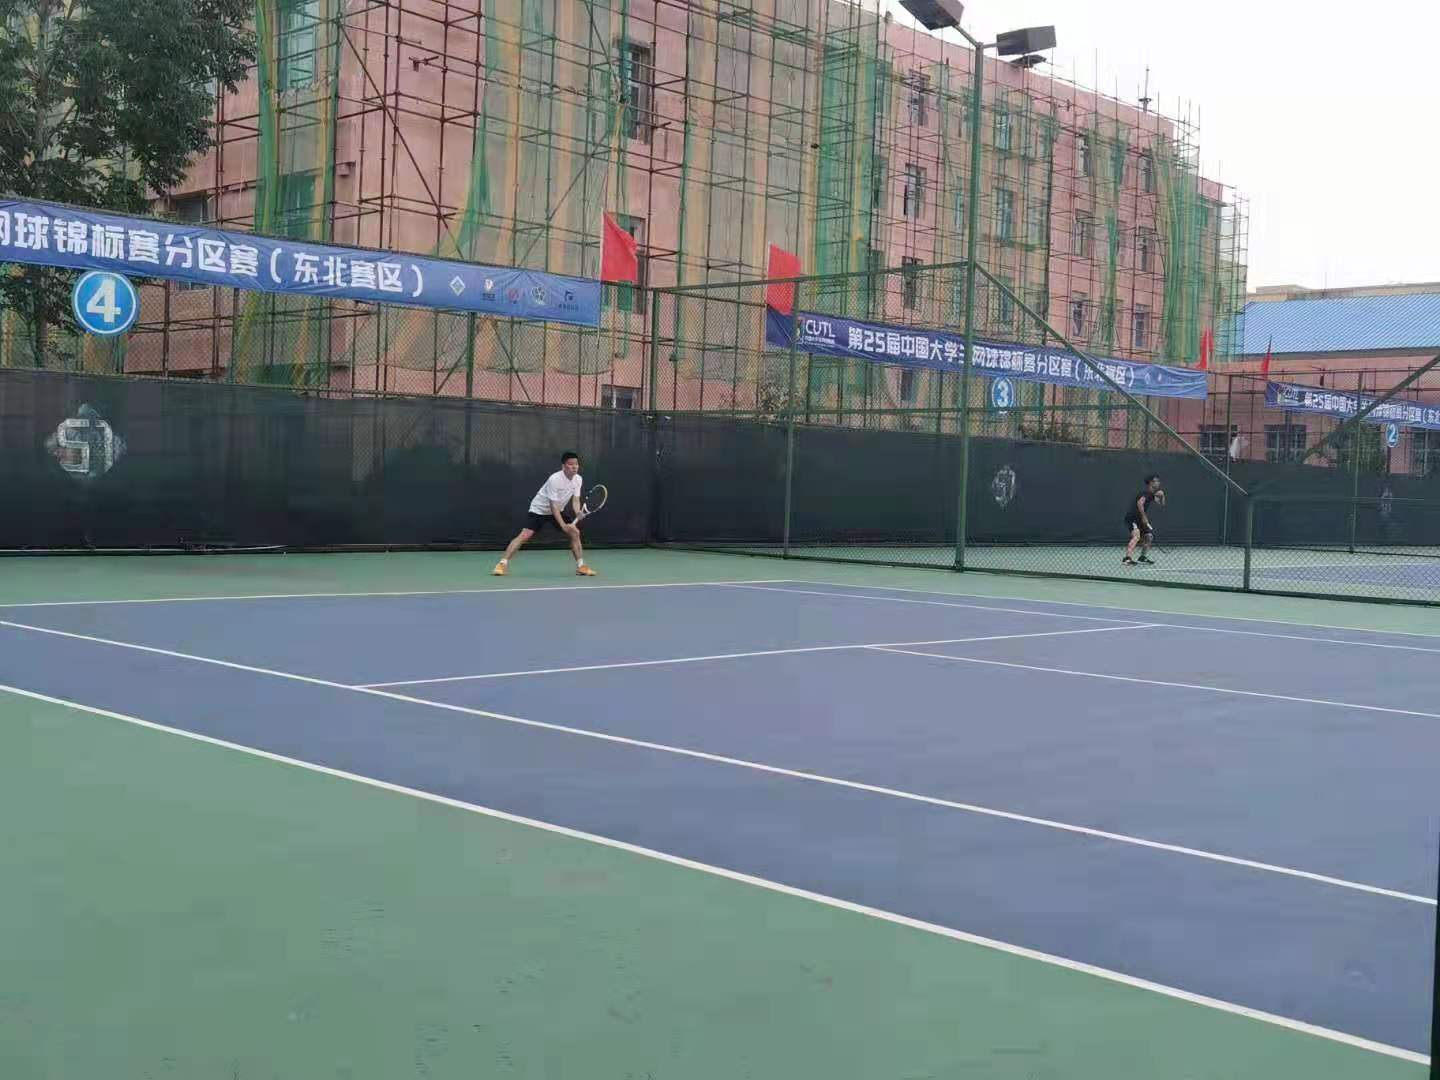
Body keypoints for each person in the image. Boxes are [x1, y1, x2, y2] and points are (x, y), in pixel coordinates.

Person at [493, 451, 597, 577]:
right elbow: (553, 506)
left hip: (558, 510)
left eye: (576, 464)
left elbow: (575, 499)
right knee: (525, 535)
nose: (574, 466)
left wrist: (578, 512)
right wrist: (563, 525)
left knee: (575, 532)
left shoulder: (578, 479)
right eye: (570, 464)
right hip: (539, 509)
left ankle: (581, 566)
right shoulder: (555, 479)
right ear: (563, 466)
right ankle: (502, 564)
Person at [1123, 474, 1165, 566]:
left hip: (1139, 520)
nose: (1159, 482)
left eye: (1158, 481)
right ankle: (1127, 559)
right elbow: (1140, 503)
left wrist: (1162, 496)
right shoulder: (1146, 493)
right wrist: (1144, 517)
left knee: (1149, 537)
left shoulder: (1151, 495)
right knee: (1136, 536)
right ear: (1151, 483)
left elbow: (1161, 504)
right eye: (1156, 481)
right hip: (1133, 518)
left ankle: (1142, 557)